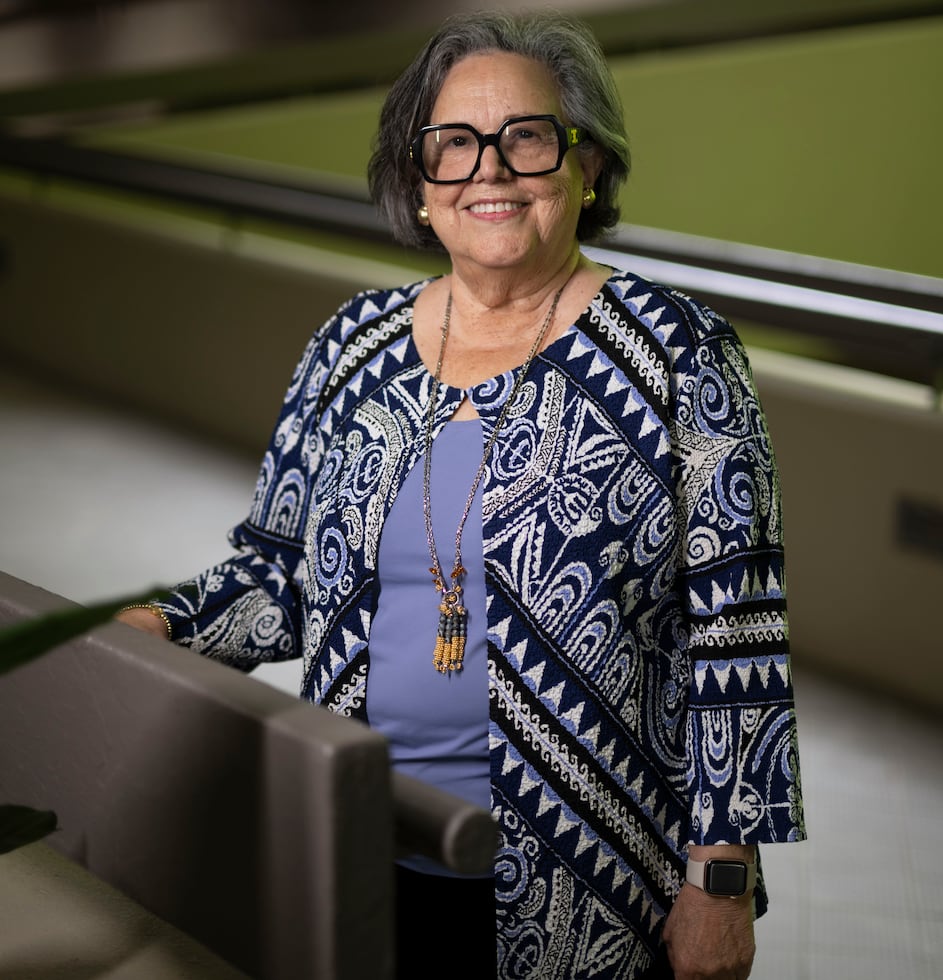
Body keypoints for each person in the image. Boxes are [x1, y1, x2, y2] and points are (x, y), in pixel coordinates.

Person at [118, 11, 805, 979]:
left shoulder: (677, 354)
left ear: (587, 164)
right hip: (352, 837)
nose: (487, 169)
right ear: (419, 182)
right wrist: (164, 620)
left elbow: (736, 631)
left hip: (589, 873)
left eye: (524, 136)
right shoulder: (348, 346)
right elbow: (278, 569)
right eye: (452, 144)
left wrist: (720, 878)